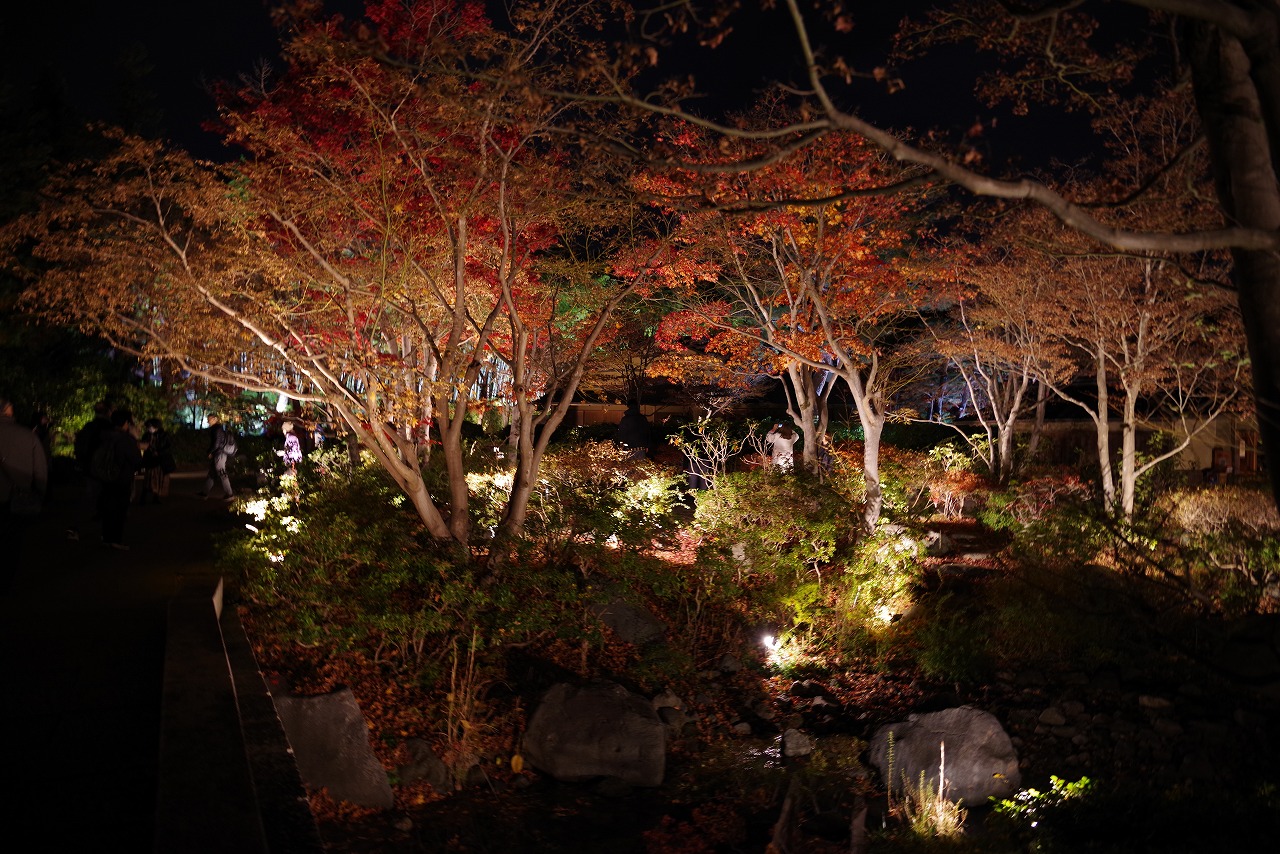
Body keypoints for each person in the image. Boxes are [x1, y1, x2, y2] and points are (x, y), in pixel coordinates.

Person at [0, 397, 49, 592]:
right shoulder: (27, 436)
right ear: (9, 412)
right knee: (11, 541)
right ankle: (5, 580)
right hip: (16, 497)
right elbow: (40, 470)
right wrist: (40, 493)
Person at [95, 408, 143, 551]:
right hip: (121, 479)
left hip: (104, 477)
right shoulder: (126, 440)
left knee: (107, 508)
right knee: (119, 510)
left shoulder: (103, 436)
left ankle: (106, 537)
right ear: (126, 423)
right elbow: (137, 461)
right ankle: (116, 539)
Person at [67, 401, 113, 541]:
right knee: (108, 500)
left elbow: (80, 447)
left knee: (88, 498)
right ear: (108, 412)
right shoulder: (110, 428)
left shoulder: (88, 427)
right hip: (106, 469)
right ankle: (106, 534)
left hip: (89, 468)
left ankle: (75, 528)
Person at [197, 414, 237, 500]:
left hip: (220, 454)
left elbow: (217, 443)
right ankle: (204, 493)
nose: (208, 421)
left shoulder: (217, 429)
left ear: (215, 419)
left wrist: (210, 451)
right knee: (212, 473)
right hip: (219, 453)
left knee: (221, 472)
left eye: (209, 419)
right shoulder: (218, 428)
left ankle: (229, 494)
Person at [139, 417, 176, 503]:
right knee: (148, 480)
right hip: (150, 460)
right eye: (148, 427)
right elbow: (143, 444)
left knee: (159, 480)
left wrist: (159, 452)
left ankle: (155, 498)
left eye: (150, 426)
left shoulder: (164, 435)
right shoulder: (147, 435)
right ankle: (143, 498)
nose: (149, 429)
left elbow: (168, 447)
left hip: (160, 461)